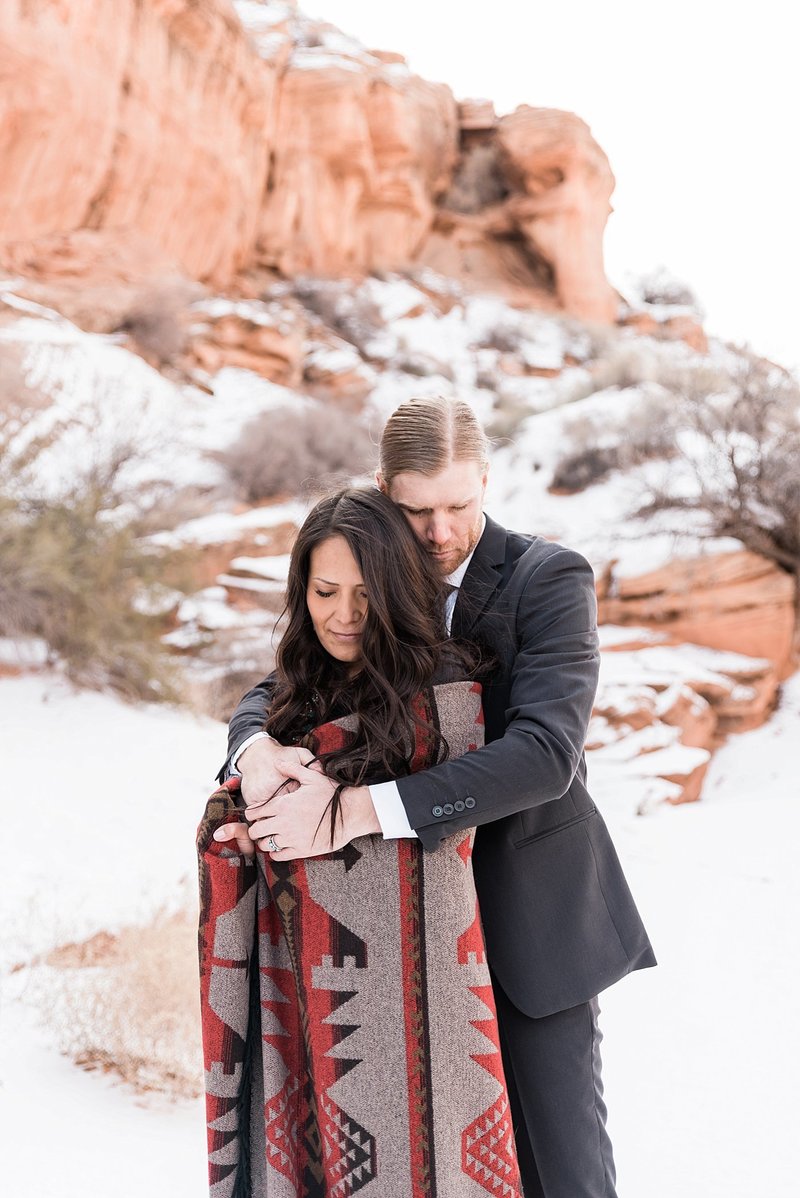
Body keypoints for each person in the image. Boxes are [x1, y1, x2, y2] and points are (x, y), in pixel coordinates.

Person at [220, 396, 657, 1198]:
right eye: (418, 509)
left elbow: (544, 755)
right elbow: (282, 679)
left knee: (563, 1167)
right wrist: (253, 751)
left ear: (487, 480)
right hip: (400, 931)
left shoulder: (548, 578)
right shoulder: (371, 568)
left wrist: (353, 811)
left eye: (460, 504)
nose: (441, 532)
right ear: (386, 490)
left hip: (529, 917)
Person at [198, 486, 523, 1198]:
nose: (342, 616)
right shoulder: (299, 689)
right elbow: (259, 738)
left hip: (431, 981)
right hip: (305, 985)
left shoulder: (445, 690)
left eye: (364, 595)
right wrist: (247, 796)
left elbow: (479, 780)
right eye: (323, 592)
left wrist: (335, 812)